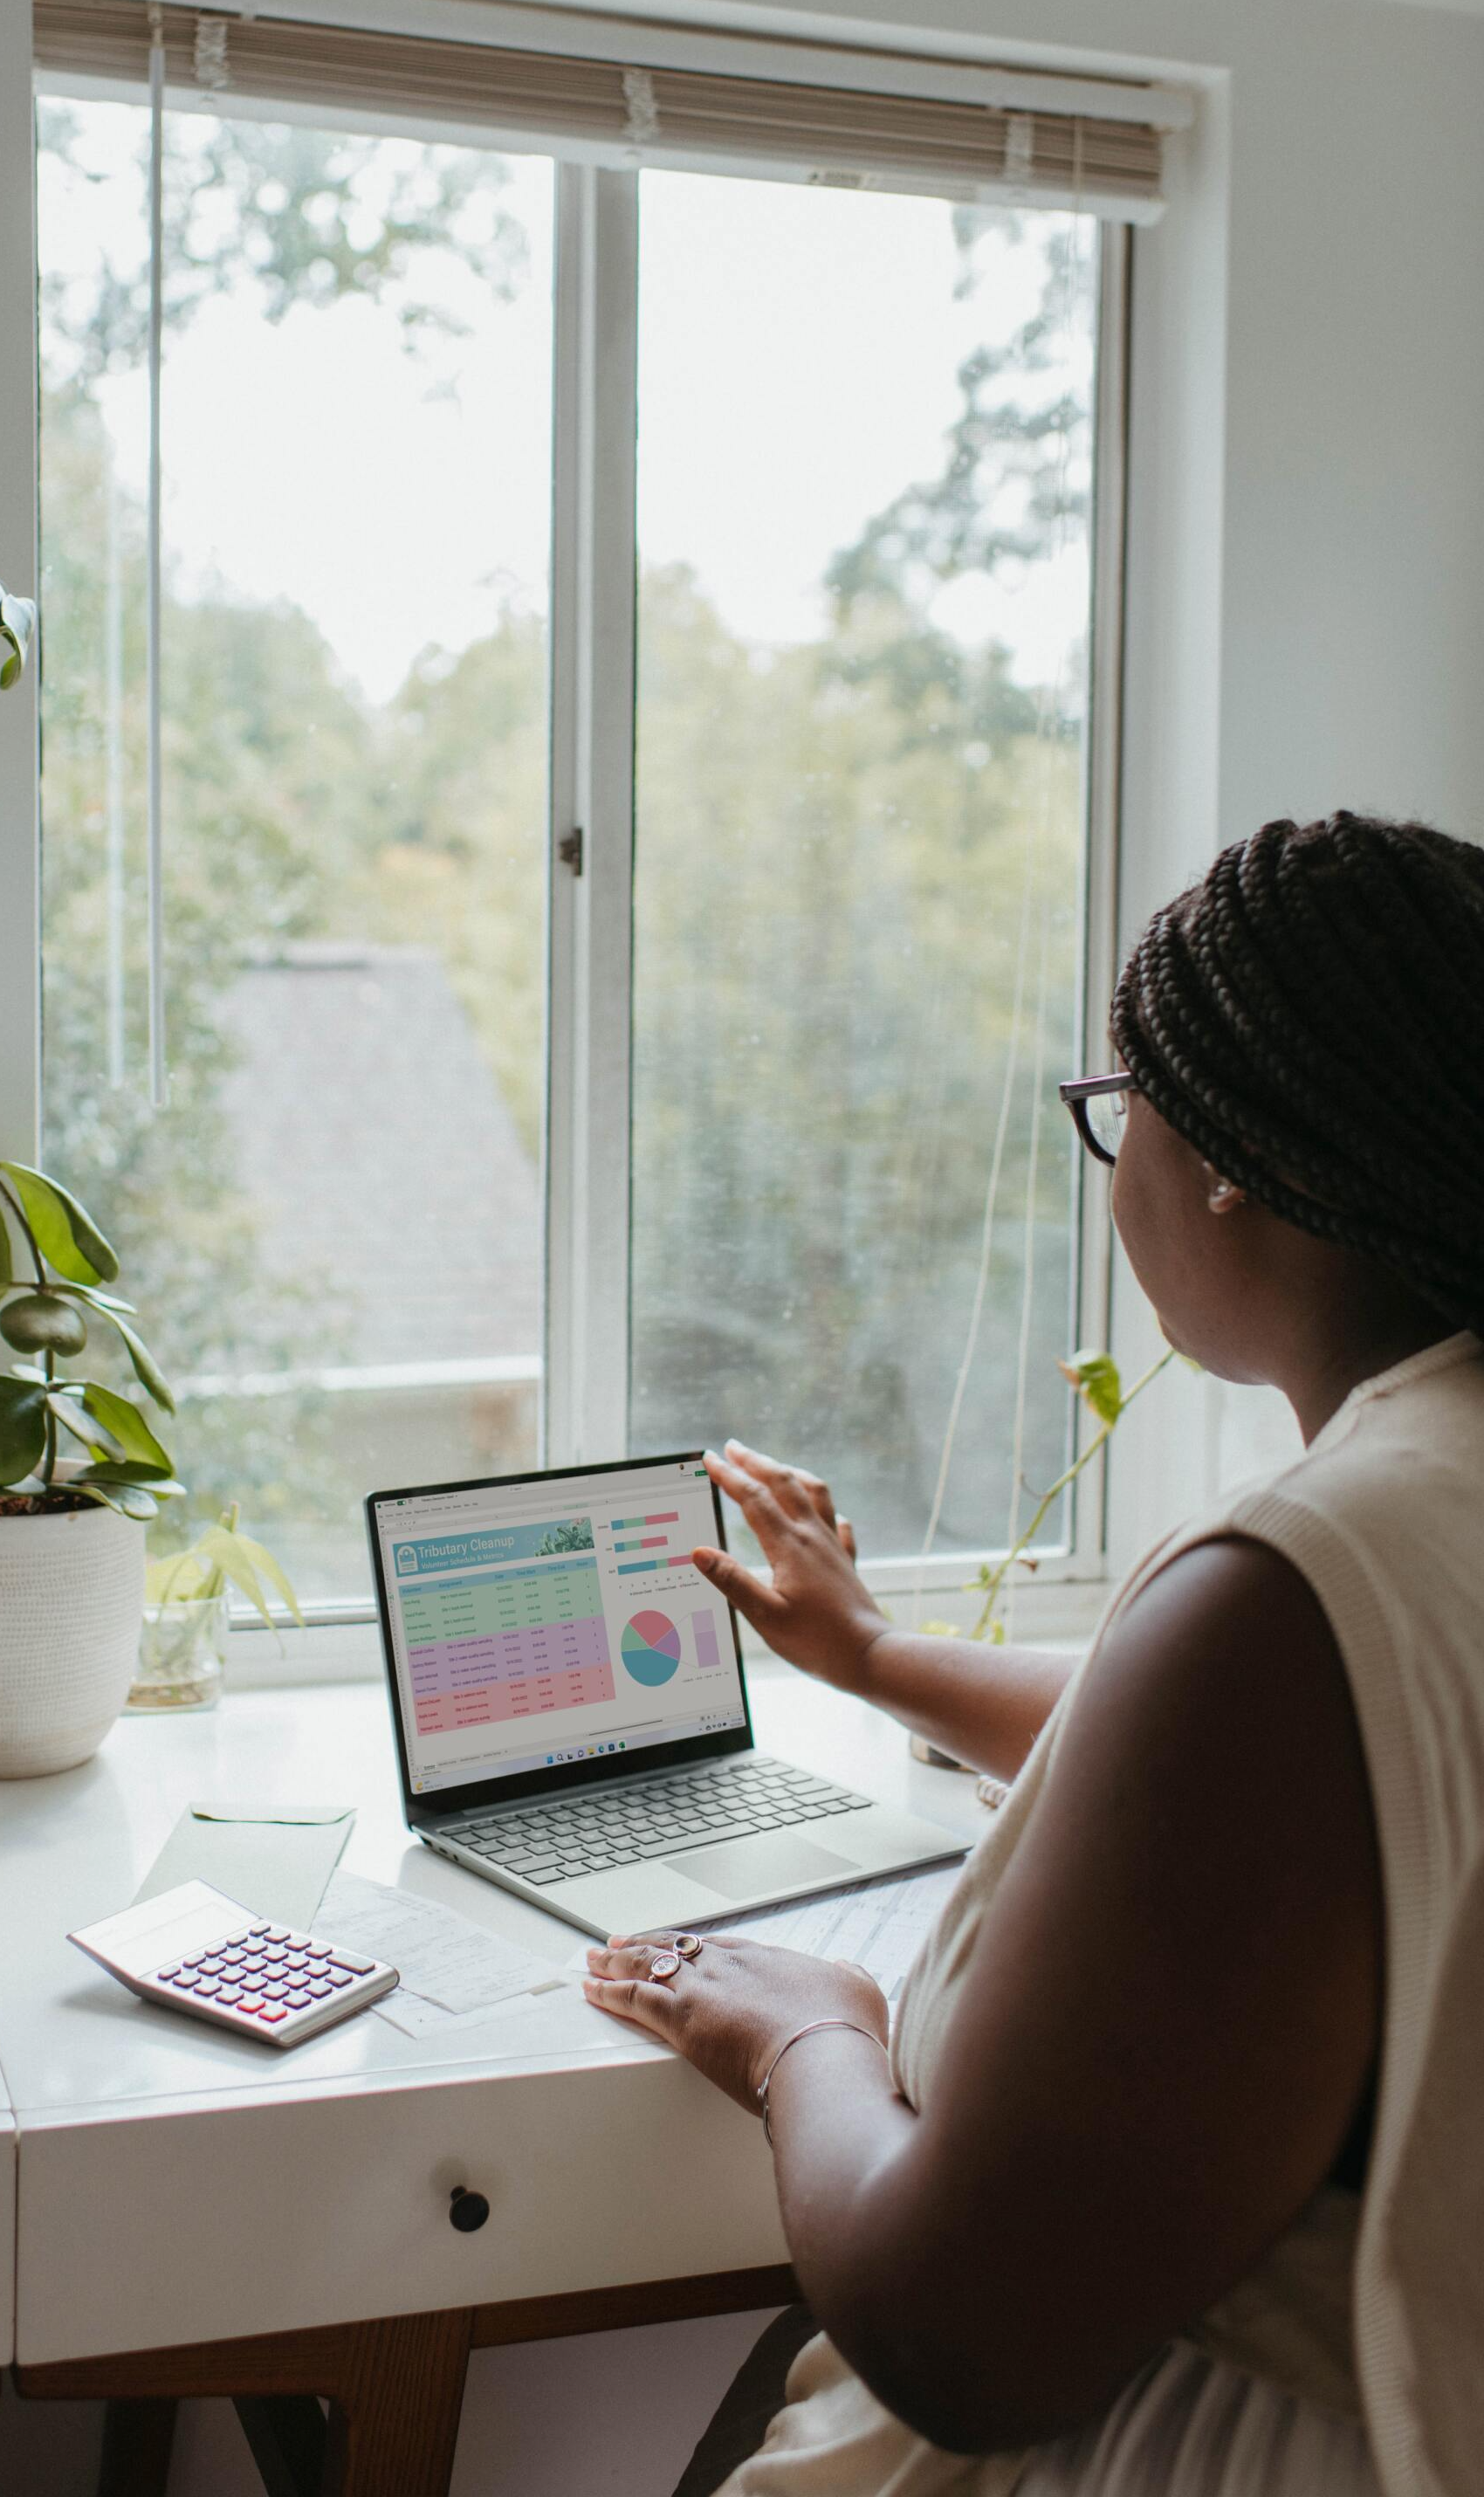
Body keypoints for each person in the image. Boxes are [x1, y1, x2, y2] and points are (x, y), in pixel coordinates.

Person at [582, 813, 1484, 2497]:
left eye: (1113, 1108)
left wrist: (805, 2040)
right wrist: (874, 1654)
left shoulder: (1296, 1579)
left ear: (1222, 1150)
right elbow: (1317, 1780)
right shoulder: (1420, 1512)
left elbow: (960, 2335)